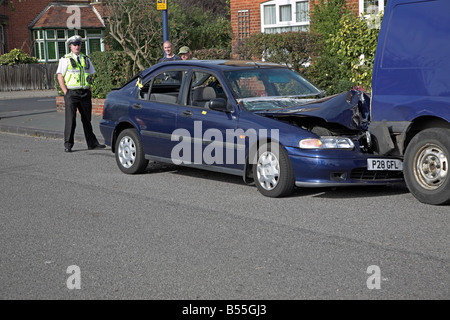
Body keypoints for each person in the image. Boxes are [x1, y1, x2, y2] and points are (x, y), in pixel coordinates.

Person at [56, 35, 105, 153]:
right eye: (74, 44)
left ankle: (92, 143)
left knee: (87, 120)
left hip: (84, 93)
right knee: (71, 119)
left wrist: (89, 88)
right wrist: (65, 91)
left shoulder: (86, 58)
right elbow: (60, 76)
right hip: (72, 93)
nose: (77, 46)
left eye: (78, 44)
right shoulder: (65, 59)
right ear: (70, 46)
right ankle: (68, 144)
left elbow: (91, 73)